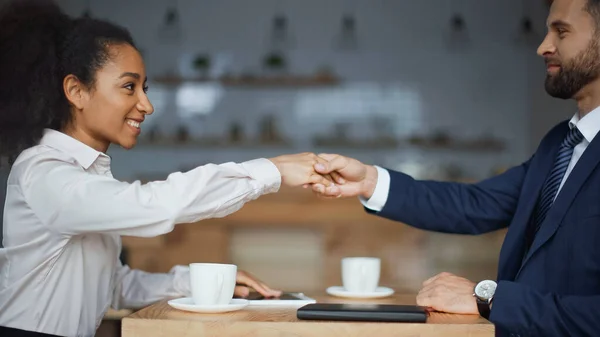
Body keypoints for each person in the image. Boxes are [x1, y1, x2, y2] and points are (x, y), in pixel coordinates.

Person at [0, 1, 335, 336]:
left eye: (144, 88)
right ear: (76, 91)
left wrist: (195, 282)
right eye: (129, 86)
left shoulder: (84, 176)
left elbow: (113, 286)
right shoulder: (42, 172)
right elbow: (155, 204)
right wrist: (270, 171)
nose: (147, 105)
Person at [312, 0, 600, 336]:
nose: (543, 47)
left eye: (561, 31)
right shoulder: (559, 143)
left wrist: (489, 299)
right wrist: (370, 181)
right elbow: (476, 203)